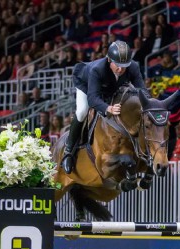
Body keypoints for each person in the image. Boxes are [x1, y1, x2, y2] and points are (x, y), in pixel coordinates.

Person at [62, 41, 146, 174]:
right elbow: (93, 98)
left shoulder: (133, 66)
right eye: (117, 66)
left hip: (111, 87)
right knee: (82, 111)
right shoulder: (97, 70)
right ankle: (68, 151)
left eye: (124, 66)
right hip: (87, 85)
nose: (121, 69)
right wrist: (108, 108)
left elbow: (142, 90)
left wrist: (149, 104)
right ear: (109, 60)